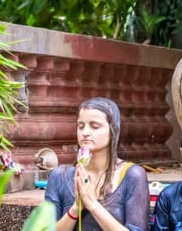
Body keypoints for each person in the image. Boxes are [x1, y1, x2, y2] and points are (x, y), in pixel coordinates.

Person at [44, 97, 150, 231]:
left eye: (94, 126)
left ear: (113, 130)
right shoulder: (59, 176)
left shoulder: (132, 176)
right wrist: (76, 209)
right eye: (80, 126)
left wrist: (93, 204)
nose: (85, 133)